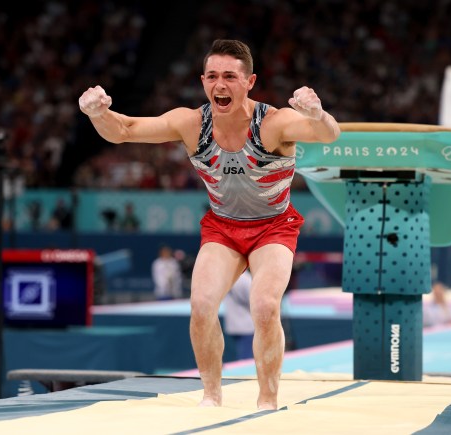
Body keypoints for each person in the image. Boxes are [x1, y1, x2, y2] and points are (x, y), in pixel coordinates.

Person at [78, 39, 340, 410]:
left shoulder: (274, 123)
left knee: (264, 306)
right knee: (201, 304)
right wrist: (97, 114)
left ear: (249, 82)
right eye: (213, 76)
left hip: (274, 226)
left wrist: (318, 115)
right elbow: (124, 130)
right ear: (203, 81)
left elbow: (330, 135)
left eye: (230, 77)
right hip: (223, 228)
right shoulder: (191, 123)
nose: (221, 85)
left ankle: (268, 400)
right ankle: (211, 396)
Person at [223, 269, 254, 360]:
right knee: (246, 360)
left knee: (240, 358)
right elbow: (254, 303)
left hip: (233, 324)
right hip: (247, 326)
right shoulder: (246, 279)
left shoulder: (227, 277)